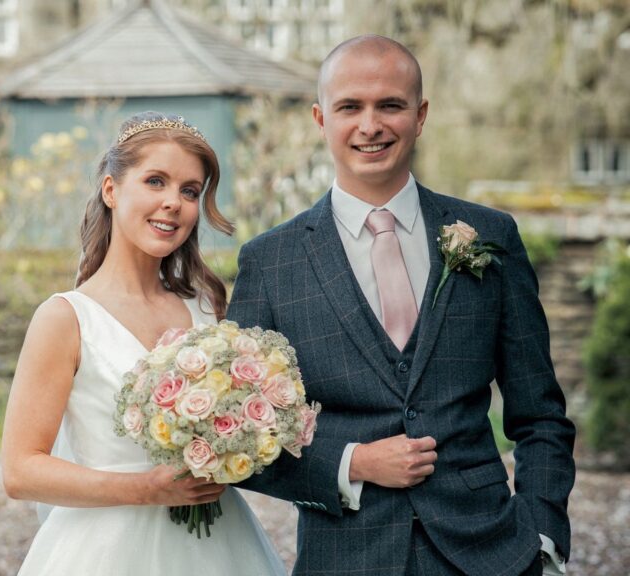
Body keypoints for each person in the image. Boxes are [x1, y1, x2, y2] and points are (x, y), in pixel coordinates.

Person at [228, 35, 575, 576]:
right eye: (350, 107)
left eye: (390, 104)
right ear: (321, 119)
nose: (371, 125)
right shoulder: (270, 262)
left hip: (493, 553)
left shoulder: (491, 234)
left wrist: (544, 537)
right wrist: (352, 463)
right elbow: (238, 437)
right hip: (345, 557)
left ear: (420, 115)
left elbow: (541, 415)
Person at [2, 112, 287, 575]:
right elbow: (20, 471)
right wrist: (148, 490)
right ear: (111, 190)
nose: (173, 202)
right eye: (156, 181)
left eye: (190, 191)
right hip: (103, 552)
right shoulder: (65, 318)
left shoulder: (208, 309)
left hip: (219, 546)